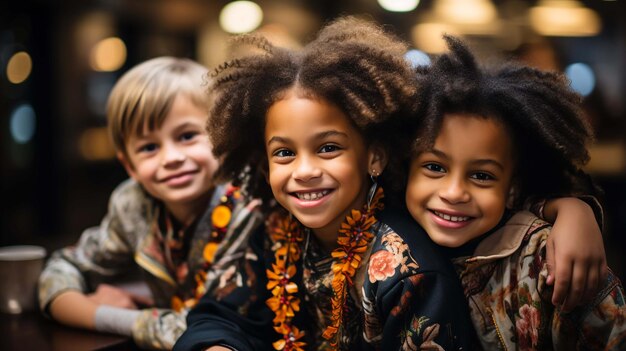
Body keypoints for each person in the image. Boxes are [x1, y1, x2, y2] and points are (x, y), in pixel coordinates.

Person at [175, 17, 478, 351]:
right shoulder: (275, 232)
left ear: (374, 157)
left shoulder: (408, 274)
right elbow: (222, 314)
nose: (304, 170)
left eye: (328, 148)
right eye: (285, 153)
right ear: (265, 166)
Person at [400, 36, 626, 349]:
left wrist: (575, 209)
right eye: (435, 168)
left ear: (513, 186)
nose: (453, 192)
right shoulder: (380, 236)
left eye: (481, 175)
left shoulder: (547, 267)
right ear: (404, 167)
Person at [38, 57, 263, 350]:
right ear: (129, 165)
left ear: (222, 138)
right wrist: (70, 302)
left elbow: (215, 326)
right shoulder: (134, 204)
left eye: (187, 136)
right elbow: (64, 267)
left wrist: (106, 316)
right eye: (149, 147)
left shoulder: (248, 204)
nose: (170, 158)